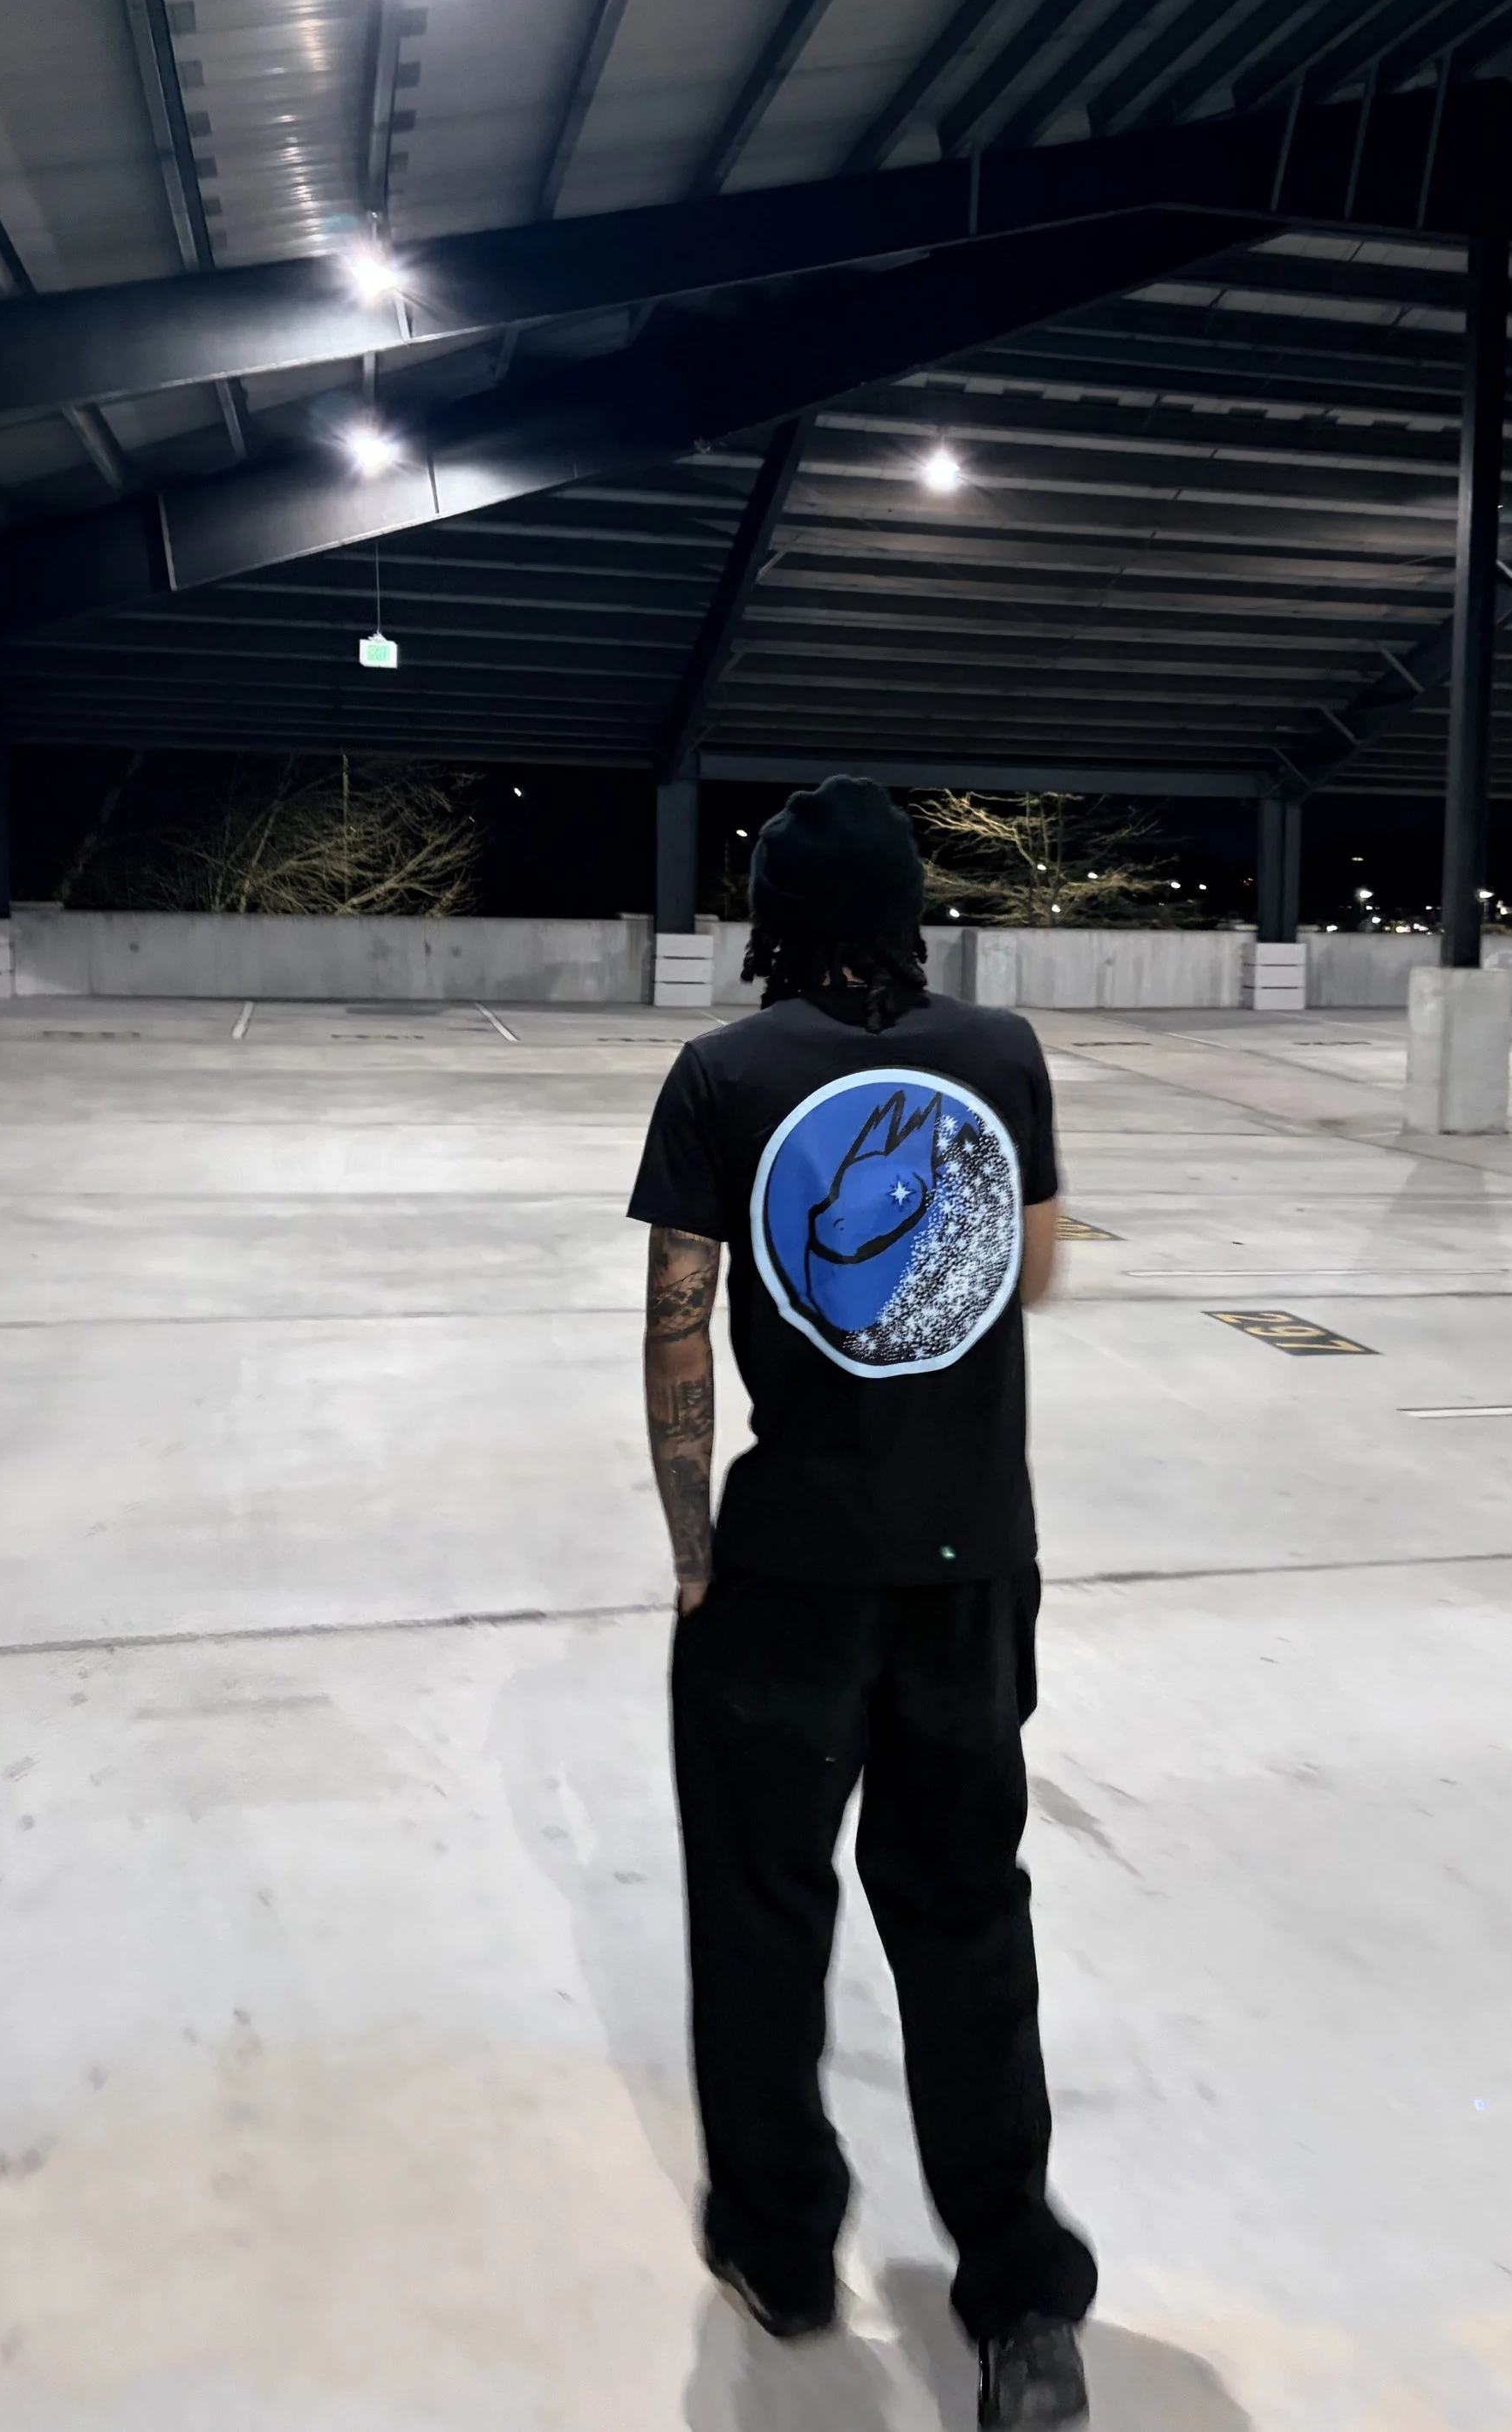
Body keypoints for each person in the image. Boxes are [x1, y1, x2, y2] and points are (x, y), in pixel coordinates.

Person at [628, 775, 1098, 2429]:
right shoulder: (1001, 1057)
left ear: (771, 918)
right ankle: (1019, 2292)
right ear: (910, 913)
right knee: (966, 1911)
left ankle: (781, 2250)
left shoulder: (723, 1074)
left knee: (763, 1910)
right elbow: (1033, 1273)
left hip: (791, 1569)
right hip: (971, 1563)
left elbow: (677, 1322)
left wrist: (694, 1547)